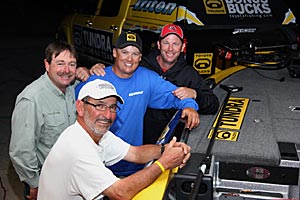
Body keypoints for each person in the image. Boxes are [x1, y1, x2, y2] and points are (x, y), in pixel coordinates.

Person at [38, 79, 191, 200]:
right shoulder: (78, 149)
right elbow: (120, 193)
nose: (107, 114)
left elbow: (136, 154)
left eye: (112, 107)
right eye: (99, 105)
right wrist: (163, 164)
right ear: (80, 107)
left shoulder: (96, 134)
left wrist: (168, 150)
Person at [75, 31, 200, 177]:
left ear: (140, 57)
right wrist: (78, 73)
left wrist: (190, 106)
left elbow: (177, 95)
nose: (129, 58)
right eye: (125, 52)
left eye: (135, 53)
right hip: (98, 165)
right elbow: (71, 108)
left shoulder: (147, 78)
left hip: (134, 163)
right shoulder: (97, 79)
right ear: (115, 53)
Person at [9, 41, 90, 200]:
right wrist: (34, 184)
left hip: (74, 177)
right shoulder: (31, 99)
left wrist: (89, 71)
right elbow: (21, 150)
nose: (66, 70)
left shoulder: (74, 88)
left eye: (71, 64)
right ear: (47, 64)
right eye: (60, 63)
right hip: (46, 182)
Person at [140, 23, 220, 144]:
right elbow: (118, 73)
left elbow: (213, 104)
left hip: (170, 141)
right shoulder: (141, 66)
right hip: (136, 137)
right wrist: (100, 69)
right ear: (158, 44)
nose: (170, 49)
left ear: (182, 47)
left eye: (175, 44)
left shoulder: (189, 74)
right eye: (166, 43)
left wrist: (194, 94)